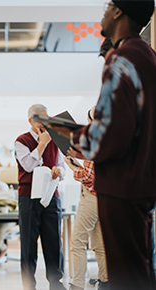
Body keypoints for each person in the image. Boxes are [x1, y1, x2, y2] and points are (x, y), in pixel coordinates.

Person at [52, 2, 156, 289]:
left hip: (120, 186)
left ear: (119, 12)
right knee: (138, 271)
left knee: (127, 276)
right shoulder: (147, 56)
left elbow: (112, 134)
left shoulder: (121, 59)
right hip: (140, 184)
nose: (104, 12)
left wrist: (72, 139)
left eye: (108, 5)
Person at [15, 104, 66, 290]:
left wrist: (57, 171)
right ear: (31, 121)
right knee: (28, 243)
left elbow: (63, 168)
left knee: (53, 241)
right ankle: (29, 285)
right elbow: (28, 166)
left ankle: (56, 283)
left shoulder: (56, 140)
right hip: (28, 197)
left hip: (52, 195)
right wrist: (42, 143)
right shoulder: (21, 140)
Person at [65, 107, 108, 290]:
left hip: (92, 197)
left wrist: (73, 167)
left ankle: (77, 284)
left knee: (78, 242)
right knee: (99, 244)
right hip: (106, 198)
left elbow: (90, 177)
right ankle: (106, 281)